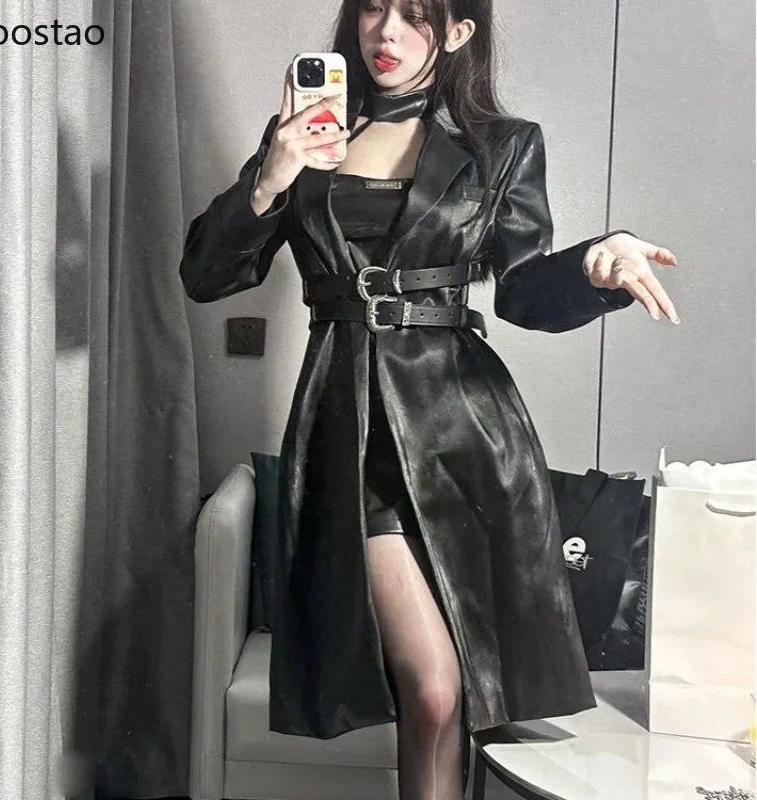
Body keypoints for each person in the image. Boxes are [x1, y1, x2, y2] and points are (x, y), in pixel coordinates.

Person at [180, 1, 680, 797]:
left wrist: (594, 265)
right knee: (437, 686)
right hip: (348, 427)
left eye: (415, 15)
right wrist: (273, 174)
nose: (386, 32)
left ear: (457, 32)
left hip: (464, 432)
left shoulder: (501, 146)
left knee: (462, 699)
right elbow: (207, 276)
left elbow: (522, 292)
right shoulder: (304, 135)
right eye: (374, 7)